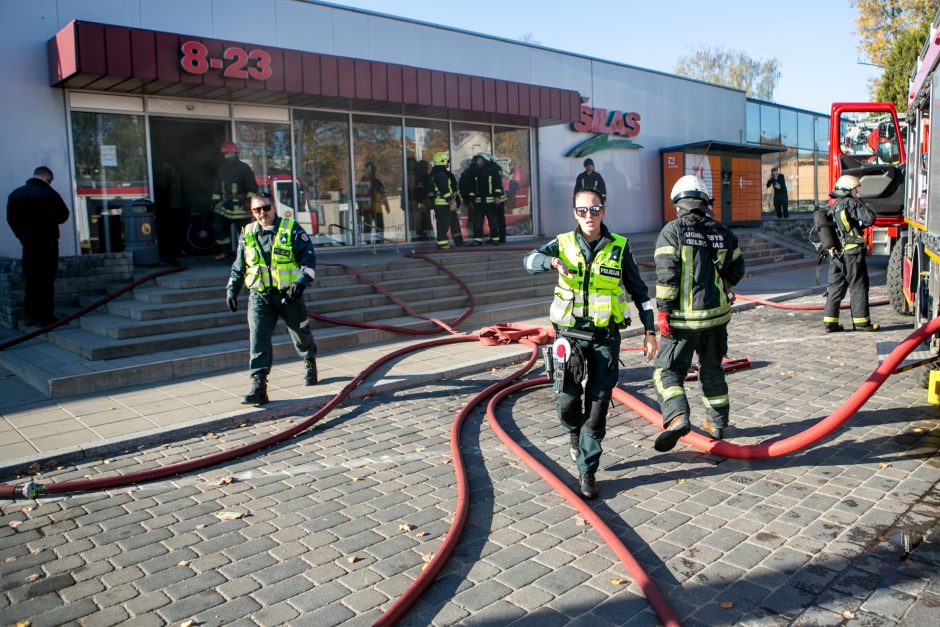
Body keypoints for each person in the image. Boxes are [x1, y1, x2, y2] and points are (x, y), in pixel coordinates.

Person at [523, 189, 657, 499]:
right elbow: (528, 261)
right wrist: (551, 261)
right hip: (569, 337)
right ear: (574, 212)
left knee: (597, 410)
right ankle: (573, 434)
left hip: (604, 338)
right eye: (582, 210)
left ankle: (587, 471)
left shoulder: (620, 247)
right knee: (569, 404)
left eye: (594, 209)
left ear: (603, 211)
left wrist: (650, 332)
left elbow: (640, 293)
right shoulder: (563, 243)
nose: (589, 215)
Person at [652, 175, 746, 452]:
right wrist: (723, 286)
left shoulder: (672, 231)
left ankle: (678, 416)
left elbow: (667, 275)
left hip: (683, 321)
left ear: (677, 203)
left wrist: (663, 313)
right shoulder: (723, 232)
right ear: (705, 202)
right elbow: (737, 270)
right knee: (712, 369)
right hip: (717, 318)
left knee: (666, 372)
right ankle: (717, 424)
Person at [226, 192, 319, 406]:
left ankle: (309, 360)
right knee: (257, 338)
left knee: (301, 333)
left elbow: (309, 259)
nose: (262, 213)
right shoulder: (247, 233)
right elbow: (239, 266)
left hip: (289, 295)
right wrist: (232, 288)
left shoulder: (291, 228)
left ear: (273, 207)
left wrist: (300, 282)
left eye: (265, 208)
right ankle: (259, 386)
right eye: (256, 210)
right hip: (260, 296)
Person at [6, 166, 70, 327]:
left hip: (28, 244)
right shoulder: (50, 194)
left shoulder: (16, 194)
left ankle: (31, 317)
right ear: (48, 178)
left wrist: (23, 237)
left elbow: (12, 220)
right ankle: (45, 317)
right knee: (46, 280)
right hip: (48, 243)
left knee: (31, 281)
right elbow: (63, 216)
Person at [822, 175, 878, 333]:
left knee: (835, 288)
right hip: (852, 253)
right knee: (858, 286)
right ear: (848, 189)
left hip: (836, 254)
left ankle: (830, 323)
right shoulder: (851, 202)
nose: (857, 192)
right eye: (856, 189)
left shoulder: (834, 205)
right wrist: (860, 205)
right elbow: (870, 218)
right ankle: (861, 323)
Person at [212, 140, 258, 261]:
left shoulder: (244, 168)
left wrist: (248, 202)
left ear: (236, 154)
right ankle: (226, 252)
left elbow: (252, 187)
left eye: (230, 154)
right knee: (218, 227)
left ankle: (247, 257)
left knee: (246, 234)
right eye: (226, 155)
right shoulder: (221, 169)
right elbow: (217, 188)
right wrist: (214, 202)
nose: (228, 157)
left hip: (242, 207)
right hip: (226, 206)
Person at [429, 152, 464, 249]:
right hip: (443, 203)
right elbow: (445, 189)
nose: (448, 164)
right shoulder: (441, 175)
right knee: (443, 224)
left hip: (443, 203)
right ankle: (443, 244)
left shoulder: (436, 174)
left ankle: (453, 242)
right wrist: (451, 201)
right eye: (447, 162)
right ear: (442, 161)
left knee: (450, 222)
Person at [356, 161, 390, 237]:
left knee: (379, 227)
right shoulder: (363, 182)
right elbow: (359, 197)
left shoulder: (377, 182)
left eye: (366, 170)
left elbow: (383, 194)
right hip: (367, 209)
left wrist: (386, 204)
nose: (365, 172)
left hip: (377, 208)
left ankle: (379, 243)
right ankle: (367, 244)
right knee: (368, 228)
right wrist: (360, 208)